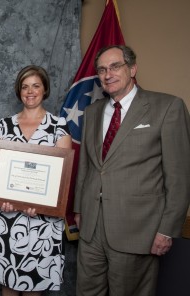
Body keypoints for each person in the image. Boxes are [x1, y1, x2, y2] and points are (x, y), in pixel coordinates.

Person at [74, 45, 190, 296]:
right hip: (91, 228)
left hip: (138, 229)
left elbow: (179, 177)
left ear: (132, 69)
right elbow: (86, 166)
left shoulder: (167, 107)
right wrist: (79, 209)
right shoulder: (93, 112)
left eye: (115, 66)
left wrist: (167, 229)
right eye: (102, 69)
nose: (108, 74)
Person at [0, 65, 72, 296]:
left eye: (35, 86)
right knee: (8, 286)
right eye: (24, 87)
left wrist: (42, 205)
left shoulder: (58, 126)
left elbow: (62, 178)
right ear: (18, 91)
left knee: (34, 289)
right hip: (8, 220)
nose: (30, 91)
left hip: (43, 226)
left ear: (45, 90)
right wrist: (0, 198)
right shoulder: (4, 126)